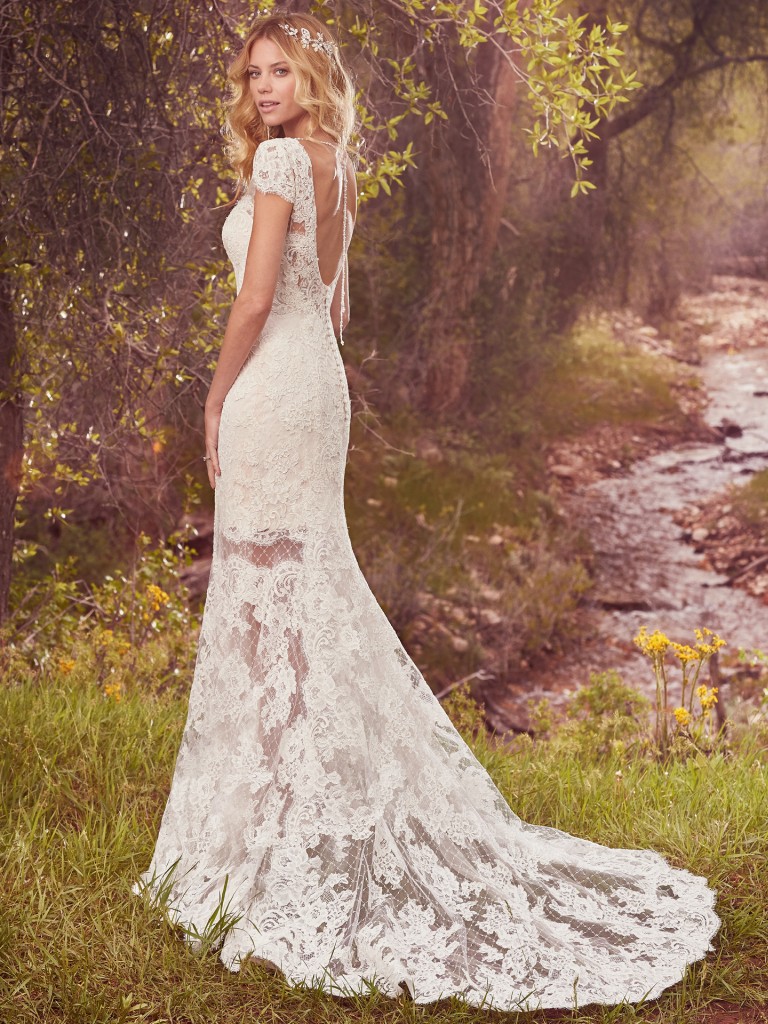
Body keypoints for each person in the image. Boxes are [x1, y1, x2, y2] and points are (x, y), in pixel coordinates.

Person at [133, 12, 721, 1011]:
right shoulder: (335, 165)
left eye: (282, 70)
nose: (265, 86)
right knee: (298, 590)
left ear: (311, 76)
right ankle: (294, 808)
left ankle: (270, 829)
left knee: (269, 592)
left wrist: (214, 395)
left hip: (276, 385)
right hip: (317, 382)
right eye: (254, 73)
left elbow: (256, 297)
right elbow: (332, 304)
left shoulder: (282, 166)